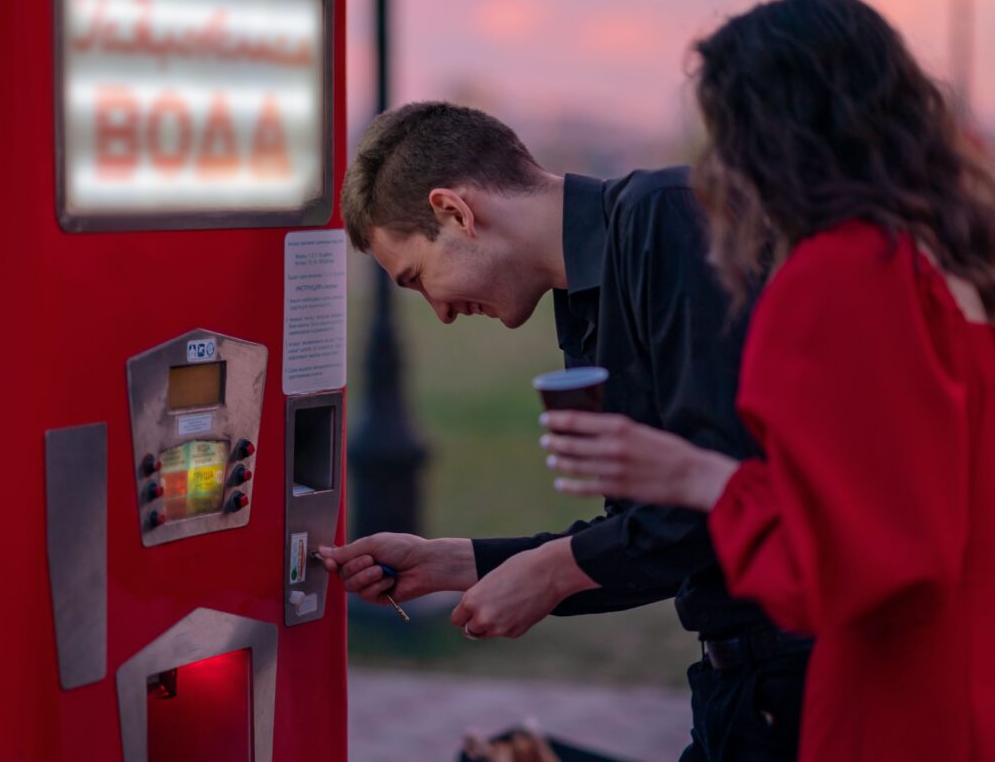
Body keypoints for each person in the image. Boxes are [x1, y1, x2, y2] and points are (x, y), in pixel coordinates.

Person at [536, 0, 995, 761]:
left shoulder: (834, 280)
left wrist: (703, 478)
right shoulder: (956, 267)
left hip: (894, 704)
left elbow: (859, 567)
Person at [321, 101, 809, 760]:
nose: (438, 313)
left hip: (813, 679)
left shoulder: (669, 219)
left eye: (418, 278)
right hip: (738, 692)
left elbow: (723, 493)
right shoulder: (583, 300)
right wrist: (454, 563)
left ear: (455, 213)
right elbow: (654, 538)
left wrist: (555, 572)